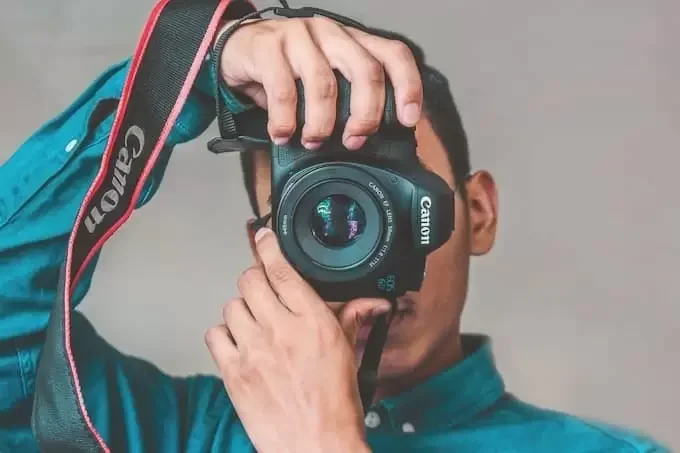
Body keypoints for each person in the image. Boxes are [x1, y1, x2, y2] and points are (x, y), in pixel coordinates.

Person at [0, 3, 668, 452]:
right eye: (320, 213)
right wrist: (197, 66)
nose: (365, 245)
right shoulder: (176, 434)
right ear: (265, 245)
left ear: (477, 213)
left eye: (394, 198)